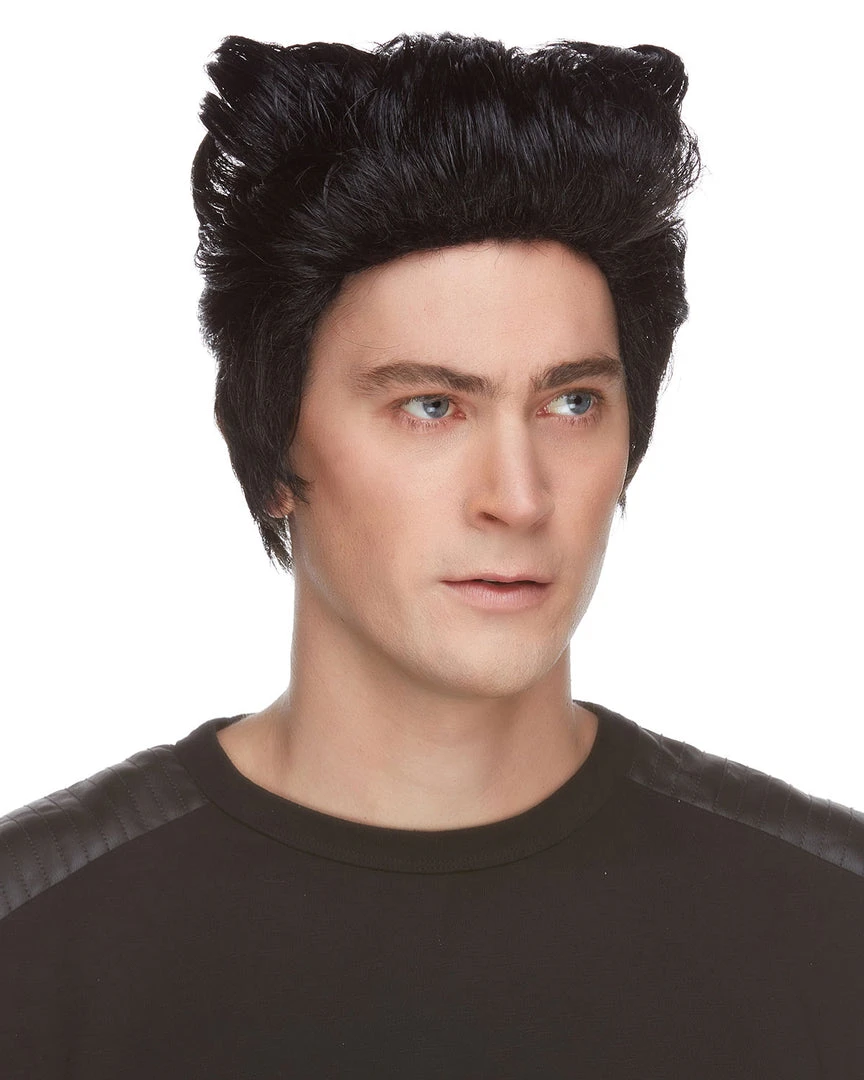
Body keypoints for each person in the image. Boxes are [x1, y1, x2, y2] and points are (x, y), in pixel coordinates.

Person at [1, 30, 861, 1078]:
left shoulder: (832, 928)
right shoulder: (35, 941)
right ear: (273, 456)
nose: (519, 497)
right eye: (431, 406)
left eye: (572, 403)